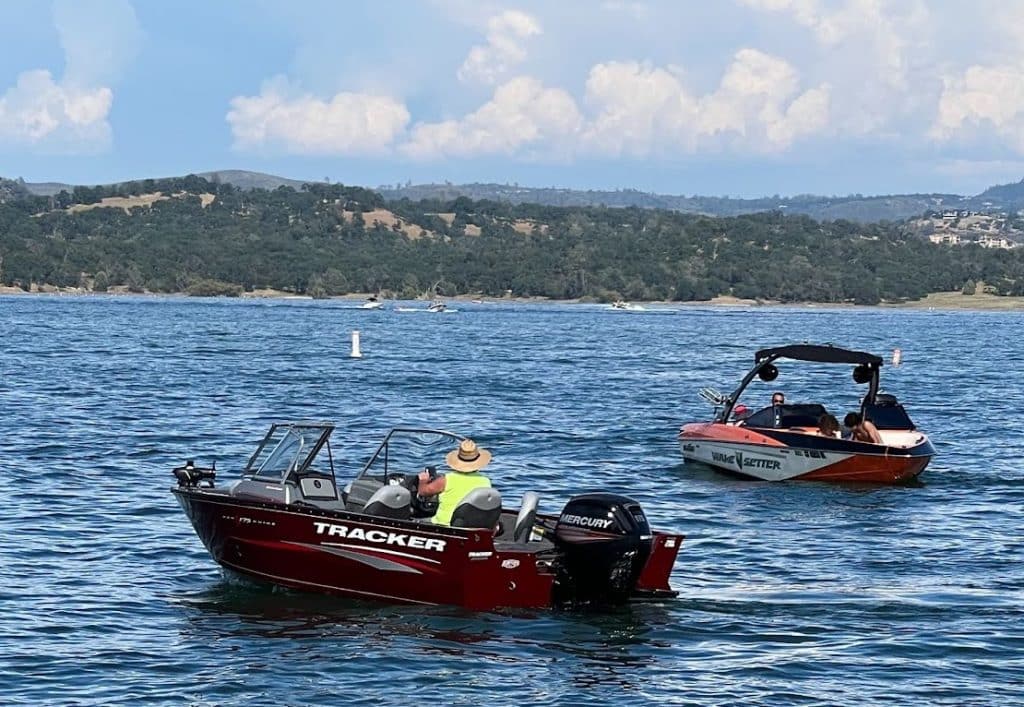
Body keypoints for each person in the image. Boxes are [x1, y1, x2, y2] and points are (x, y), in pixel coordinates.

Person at [417, 438, 493, 525]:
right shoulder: (485, 481)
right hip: (470, 526)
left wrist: (423, 480)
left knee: (414, 521)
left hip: (443, 525)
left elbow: (423, 492)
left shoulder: (446, 480)